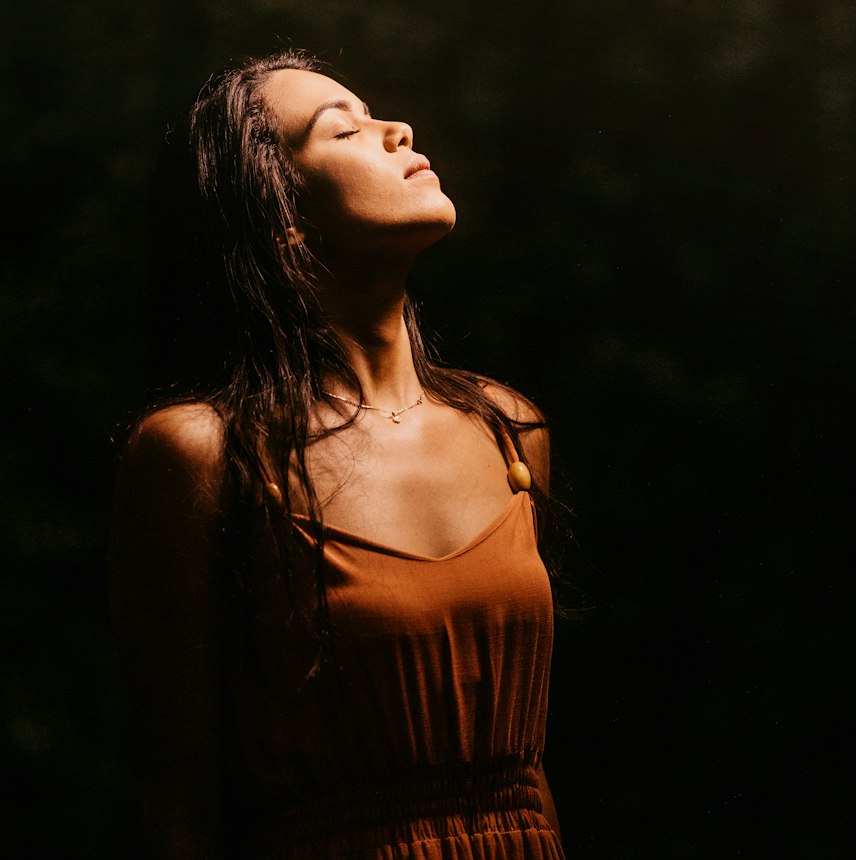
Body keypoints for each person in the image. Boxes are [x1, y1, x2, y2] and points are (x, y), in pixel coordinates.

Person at [110, 50, 566, 860]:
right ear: (281, 214)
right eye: (344, 128)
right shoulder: (202, 456)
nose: (400, 131)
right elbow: (176, 801)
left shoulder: (508, 429)